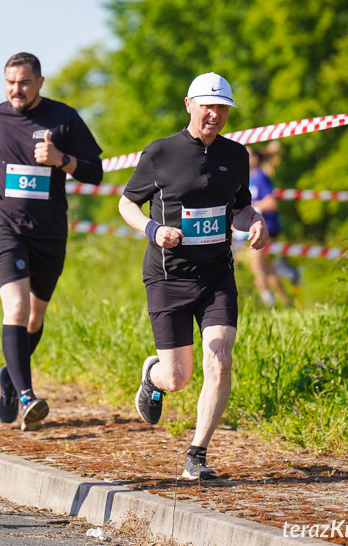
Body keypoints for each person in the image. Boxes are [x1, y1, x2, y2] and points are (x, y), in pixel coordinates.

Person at [118, 72, 268, 480]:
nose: (215, 115)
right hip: (168, 276)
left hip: (217, 275)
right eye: (208, 106)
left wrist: (255, 222)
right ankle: (153, 376)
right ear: (190, 105)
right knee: (178, 376)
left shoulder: (237, 156)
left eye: (222, 108)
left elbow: (239, 207)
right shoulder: (160, 153)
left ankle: (197, 454)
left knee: (219, 358)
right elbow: (126, 204)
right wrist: (152, 230)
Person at [0, 52, 103, 432]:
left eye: (24, 83)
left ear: (40, 82)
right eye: (10, 83)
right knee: (16, 307)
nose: (17, 90)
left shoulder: (64, 118)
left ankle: (10, 380)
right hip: (2, 224)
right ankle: (27, 396)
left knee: (35, 316)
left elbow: (96, 172)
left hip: (49, 231)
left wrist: (63, 160)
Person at [242, 146, 292, 307]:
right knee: (267, 269)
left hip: (268, 227)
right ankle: (287, 302)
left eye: (247, 155)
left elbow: (272, 203)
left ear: (255, 159)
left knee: (255, 264)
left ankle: (269, 303)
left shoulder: (261, 177)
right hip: (255, 228)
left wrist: (251, 206)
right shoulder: (246, 179)